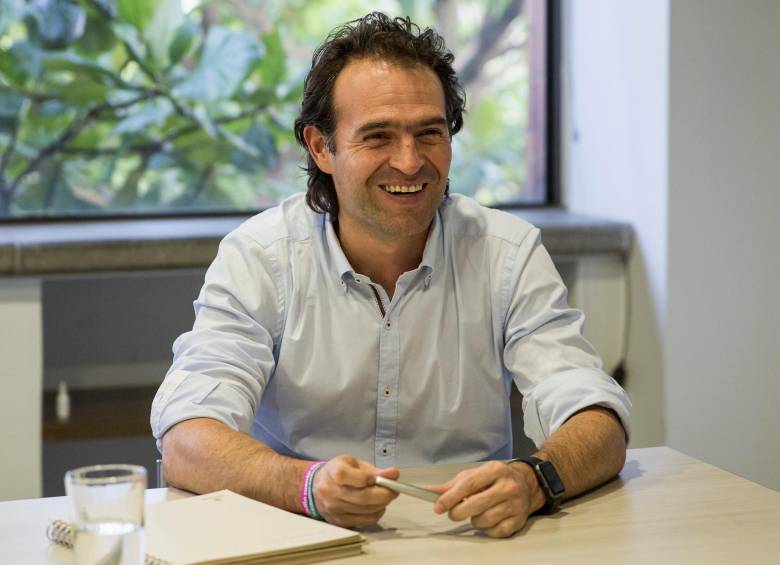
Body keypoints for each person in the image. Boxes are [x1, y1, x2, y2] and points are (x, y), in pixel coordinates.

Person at [151, 12, 631, 538]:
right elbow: (187, 439)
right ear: (321, 148)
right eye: (378, 136)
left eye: (429, 133)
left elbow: (597, 418)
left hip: (468, 541)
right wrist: (306, 486)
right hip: (301, 540)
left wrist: (533, 480)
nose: (409, 162)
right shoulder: (260, 257)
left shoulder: (507, 254)